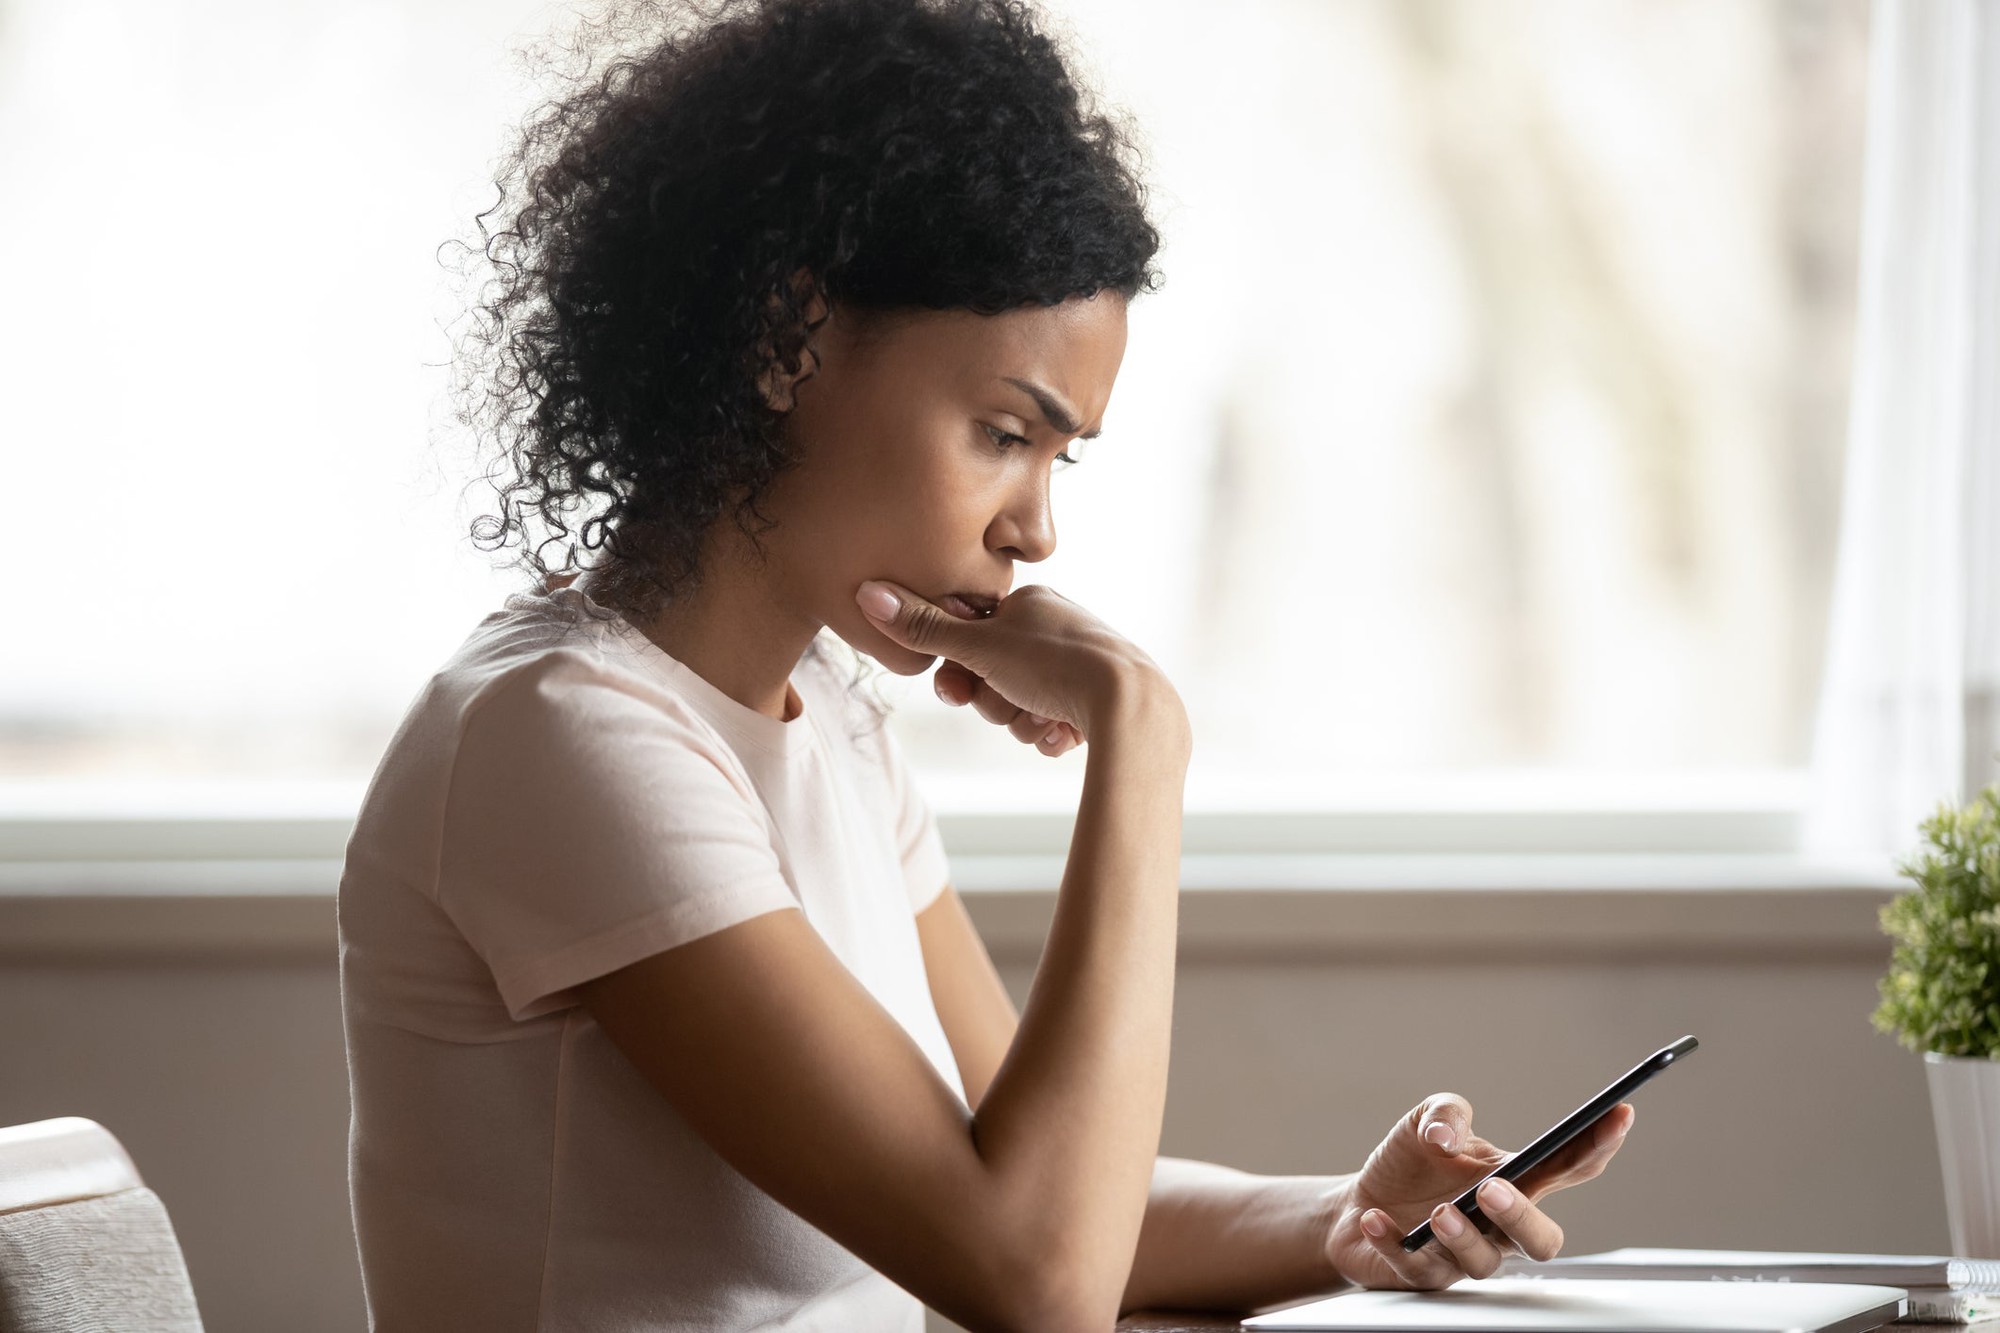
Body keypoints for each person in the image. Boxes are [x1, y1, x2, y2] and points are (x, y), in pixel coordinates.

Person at [337, 0, 1636, 1328]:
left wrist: (1350, 1216)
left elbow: (1037, 1193)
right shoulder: (561, 741)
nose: (1036, 528)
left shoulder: (829, 725)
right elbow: (1033, 1271)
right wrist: (1139, 737)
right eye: (1005, 431)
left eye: (1058, 455)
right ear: (787, 339)